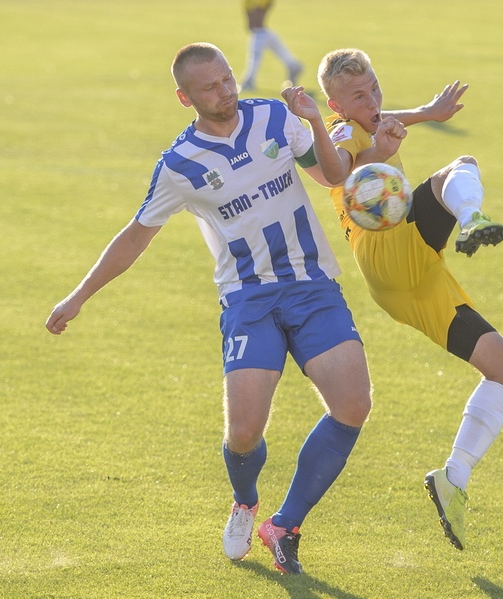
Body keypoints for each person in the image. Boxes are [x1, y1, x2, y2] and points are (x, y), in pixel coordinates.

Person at [45, 43, 372, 575]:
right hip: (248, 300)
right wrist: (79, 296)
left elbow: (332, 177)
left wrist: (313, 123)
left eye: (227, 79)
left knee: (353, 404)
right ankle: (245, 500)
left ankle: (284, 525)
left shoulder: (274, 116)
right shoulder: (178, 165)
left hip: (312, 286)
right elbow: (135, 235)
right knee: (243, 433)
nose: (226, 91)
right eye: (211, 87)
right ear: (185, 97)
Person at [313, 48, 503, 551]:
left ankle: (454, 477)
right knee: (462, 165)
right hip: (387, 248)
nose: (373, 102)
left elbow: (385, 118)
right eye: (359, 96)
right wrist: (379, 155)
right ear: (334, 104)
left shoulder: (372, 119)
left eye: (376, 88)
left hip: (413, 279)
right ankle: (471, 220)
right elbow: (337, 170)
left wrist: (426, 114)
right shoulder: (338, 133)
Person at [238, 0, 302, 92]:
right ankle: (293, 65)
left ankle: (249, 80)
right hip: (260, 31)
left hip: (259, 31)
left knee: (256, 47)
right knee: (262, 33)